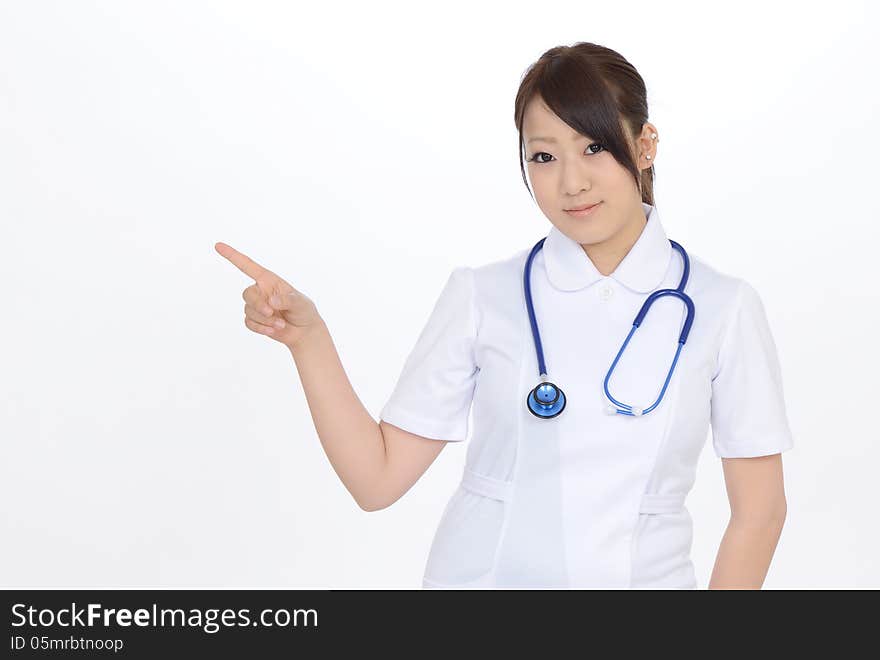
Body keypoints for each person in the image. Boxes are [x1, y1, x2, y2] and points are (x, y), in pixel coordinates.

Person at [216, 42, 793, 590]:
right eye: (544, 156)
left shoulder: (723, 308)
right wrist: (309, 341)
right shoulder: (483, 296)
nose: (572, 182)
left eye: (593, 147)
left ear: (645, 145)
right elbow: (377, 481)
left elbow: (760, 513)